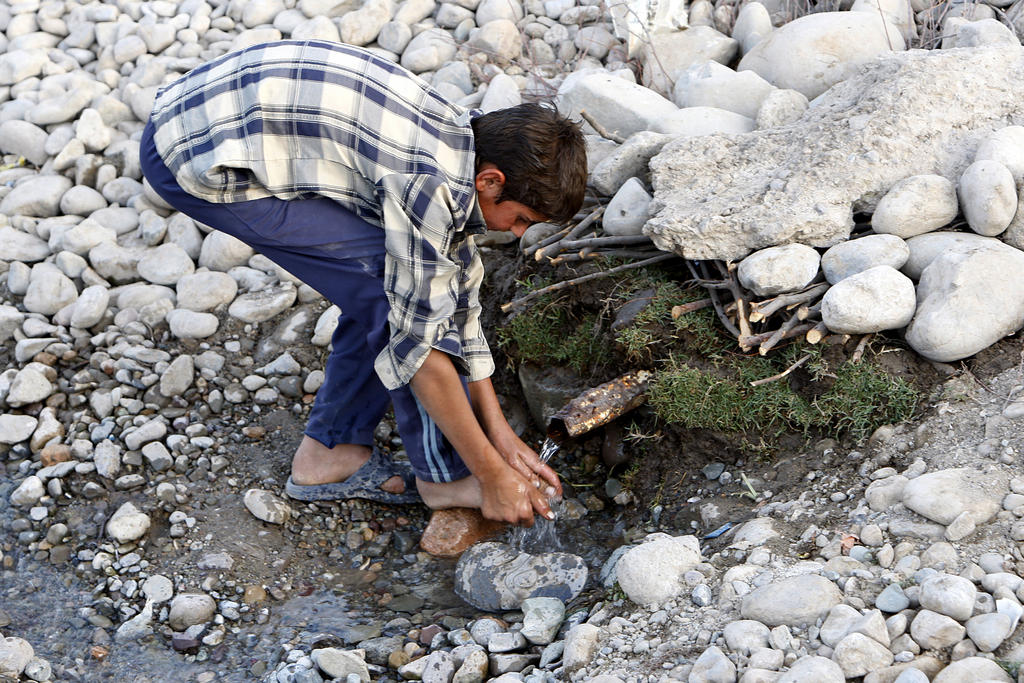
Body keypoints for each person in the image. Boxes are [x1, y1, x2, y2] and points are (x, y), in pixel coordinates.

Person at [139, 39, 588, 527]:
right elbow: (418, 340)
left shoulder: (469, 143)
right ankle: (443, 478)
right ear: (491, 182)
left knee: (391, 283)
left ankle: (328, 453)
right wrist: (491, 474)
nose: (517, 234)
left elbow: (457, 294)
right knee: (386, 294)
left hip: (207, 111)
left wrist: (500, 434)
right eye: (520, 219)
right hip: (194, 155)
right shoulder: (427, 183)